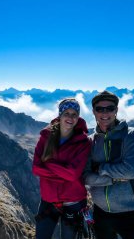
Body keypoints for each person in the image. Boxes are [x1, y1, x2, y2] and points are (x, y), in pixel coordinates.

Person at [83, 90, 134, 239]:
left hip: (130, 212)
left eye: (110, 108)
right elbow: (85, 176)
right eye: (100, 109)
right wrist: (111, 179)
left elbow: (130, 171)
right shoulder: (89, 141)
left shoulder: (131, 134)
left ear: (116, 110)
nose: (104, 113)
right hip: (100, 213)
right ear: (93, 111)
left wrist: (100, 169)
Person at [32, 98, 92, 239]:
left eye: (74, 114)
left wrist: (48, 164)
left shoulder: (84, 142)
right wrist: (64, 172)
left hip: (74, 203)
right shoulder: (45, 137)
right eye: (67, 113)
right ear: (60, 115)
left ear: (78, 117)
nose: (70, 118)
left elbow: (72, 174)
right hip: (49, 201)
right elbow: (36, 168)